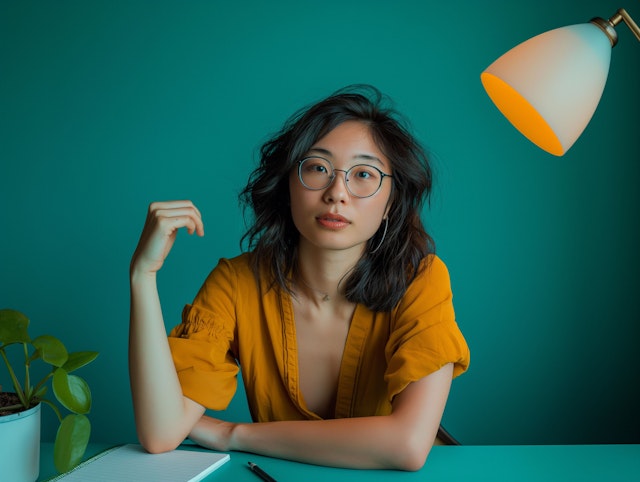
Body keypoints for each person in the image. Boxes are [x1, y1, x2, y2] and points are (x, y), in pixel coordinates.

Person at [129, 85, 470, 471]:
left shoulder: (421, 279)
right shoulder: (236, 283)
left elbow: (406, 446)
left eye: (363, 174)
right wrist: (143, 275)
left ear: (392, 200)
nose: (337, 193)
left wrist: (232, 434)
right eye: (317, 168)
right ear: (288, 184)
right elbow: (160, 434)